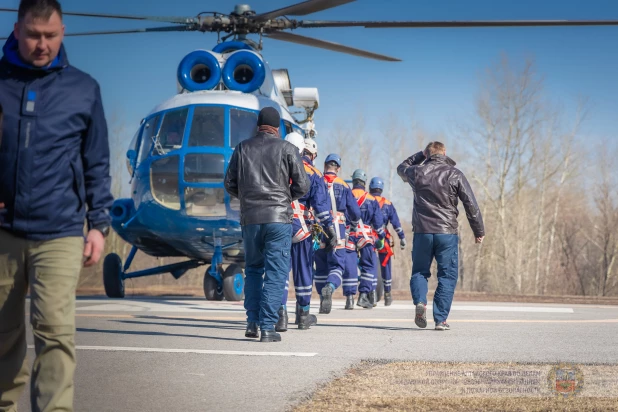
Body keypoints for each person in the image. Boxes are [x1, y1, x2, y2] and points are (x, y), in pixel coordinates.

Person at [0, 1, 114, 410]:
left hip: (61, 230)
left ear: (63, 31)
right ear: (16, 30)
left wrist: (99, 225)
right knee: (2, 333)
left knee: (54, 332)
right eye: (33, 35)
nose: (41, 44)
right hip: (3, 231)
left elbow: (96, 162)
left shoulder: (84, 89)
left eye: (50, 35)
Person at [224, 107, 310, 342]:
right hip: (278, 219)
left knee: (253, 270)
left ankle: (252, 323)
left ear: (258, 125)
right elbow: (303, 185)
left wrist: (247, 198)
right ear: (277, 127)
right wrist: (284, 196)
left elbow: (229, 183)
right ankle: (268, 327)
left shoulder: (242, 148)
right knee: (275, 273)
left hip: (250, 220)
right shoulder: (287, 148)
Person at [397, 141, 484, 331]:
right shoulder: (455, 174)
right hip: (447, 233)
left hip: (422, 232)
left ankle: (421, 302)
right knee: (447, 275)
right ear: (445, 153)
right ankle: (440, 320)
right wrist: (478, 231)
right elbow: (471, 204)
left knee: (420, 271)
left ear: (427, 154)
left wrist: (419, 156)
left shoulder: (417, 172)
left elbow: (401, 168)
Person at [276, 133, 337, 332]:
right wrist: (329, 229)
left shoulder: (276, 166)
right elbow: (320, 206)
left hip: (278, 223)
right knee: (303, 271)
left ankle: (280, 315)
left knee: (280, 271)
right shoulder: (314, 173)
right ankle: (303, 314)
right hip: (302, 227)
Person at [314, 154, 361, 314]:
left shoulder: (317, 180)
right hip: (338, 227)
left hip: (318, 227)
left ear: (325, 165)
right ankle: (330, 286)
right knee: (337, 265)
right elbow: (355, 211)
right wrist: (352, 224)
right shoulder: (344, 186)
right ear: (338, 168)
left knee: (320, 266)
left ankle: (322, 298)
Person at [349, 170, 386, 309]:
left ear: (353, 180)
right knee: (369, 266)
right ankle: (363, 295)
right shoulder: (371, 199)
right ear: (364, 182)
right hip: (365, 237)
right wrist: (381, 237)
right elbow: (378, 223)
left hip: (349, 235)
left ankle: (348, 297)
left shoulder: (348, 193)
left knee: (349, 265)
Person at [369, 177, 406, 306]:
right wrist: (402, 237)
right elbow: (396, 222)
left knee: (369, 265)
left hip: (368, 237)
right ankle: (388, 295)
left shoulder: (366, 200)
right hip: (383, 238)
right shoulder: (388, 204)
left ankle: (371, 293)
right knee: (386, 265)